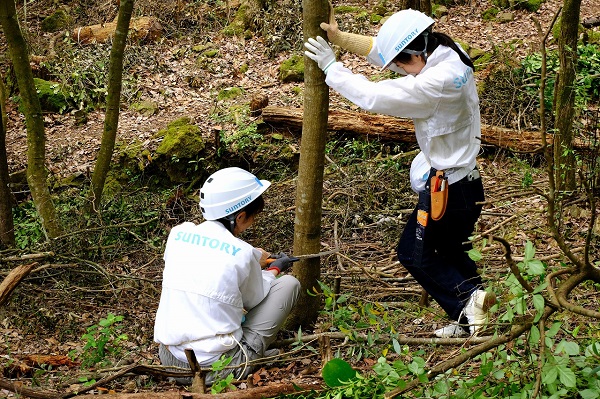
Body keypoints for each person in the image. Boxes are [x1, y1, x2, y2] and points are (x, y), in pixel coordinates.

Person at [304, 8, 496, 337]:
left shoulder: (433, 85)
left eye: (401, 65)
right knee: (450, 250)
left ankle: (469, 300)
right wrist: (342, 40)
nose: (397, 70)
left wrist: (332, 68)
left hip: (448, 190)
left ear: (414, 56)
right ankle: (468, 319)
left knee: (412, 253)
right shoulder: (450, 51)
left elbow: (374, 95)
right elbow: (394, 53)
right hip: (466, 184)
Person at [154, 167, 300, 384]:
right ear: (240, 216)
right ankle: (249, 359)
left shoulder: (179, 234)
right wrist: (274, 269)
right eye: (252, 216)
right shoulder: (242, 253)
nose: (253, 221)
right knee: (289, 284)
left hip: (170, 359)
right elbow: (254, 300)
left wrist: (252, 259)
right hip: (215, 369)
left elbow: (207, 260)